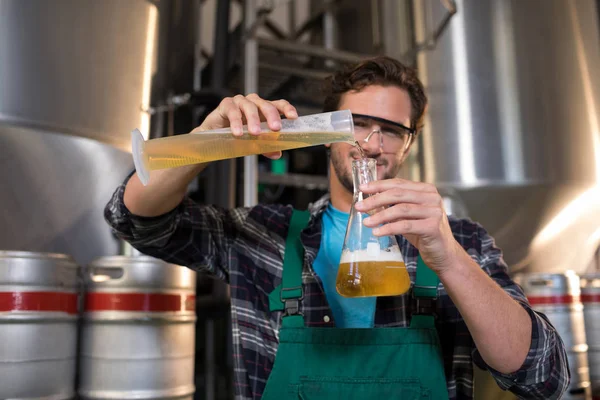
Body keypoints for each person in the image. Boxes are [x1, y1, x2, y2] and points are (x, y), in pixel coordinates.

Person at [104, 56, 569, 399]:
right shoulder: (264, 235)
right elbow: (137, 222)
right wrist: (205, 141)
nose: (370, 143)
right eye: (357, 124)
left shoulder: (459, 240)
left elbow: (544, 376)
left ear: (407, 145)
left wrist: (447, 257)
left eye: (390, 130)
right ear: (326, 132)